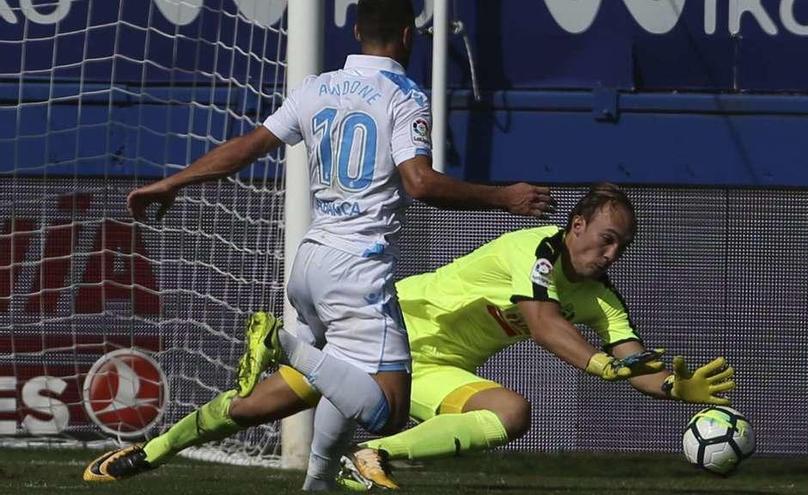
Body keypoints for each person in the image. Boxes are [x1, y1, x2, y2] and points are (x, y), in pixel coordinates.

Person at [82, 0, 553, 490]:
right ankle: (281, 344)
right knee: (385, 412)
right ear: (409, 36)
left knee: (341, 380)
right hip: (357, 268)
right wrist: (504, 197)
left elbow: (247, 147)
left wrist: (173, 182)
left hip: (310, 263)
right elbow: (420, 183)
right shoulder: (404, 95)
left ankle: (318, 483)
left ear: (355, 31)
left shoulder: (317, 87)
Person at [82, 183, 732, 490]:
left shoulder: (600, 296)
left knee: (512, 411)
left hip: (436, 367)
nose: (613, 253)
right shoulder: (537, 248)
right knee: (254, 407)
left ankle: (374, 457)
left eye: (624, 246)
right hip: (385, 332)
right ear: (578, 222)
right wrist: (607, 368)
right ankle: (151, 450)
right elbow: (543, 324)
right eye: (607, 238)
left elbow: (633, 359)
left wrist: (675, 386)